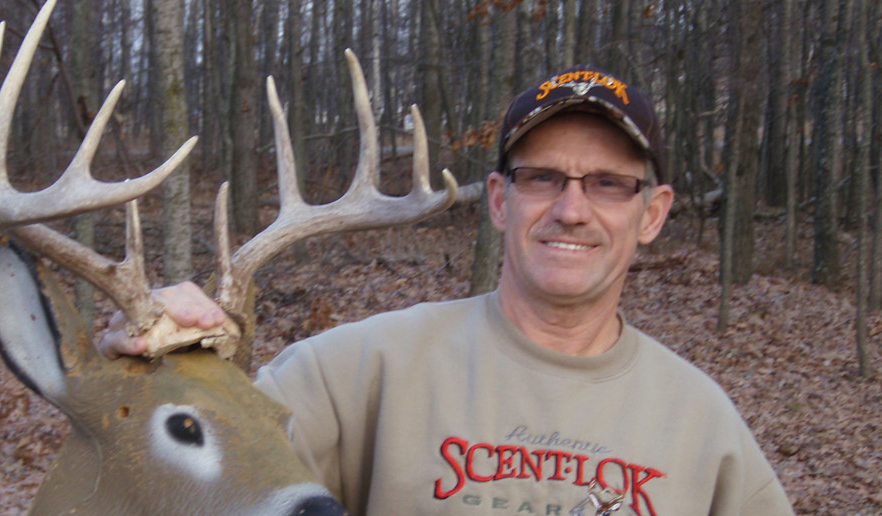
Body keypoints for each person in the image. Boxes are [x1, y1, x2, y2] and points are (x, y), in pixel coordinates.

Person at [100, 65, 794, 515]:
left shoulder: (702, 426)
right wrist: (158, 371)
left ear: (653, 214)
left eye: (609, 184)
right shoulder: (356, 373)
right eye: (542, 178)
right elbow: (175, 480)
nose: (572, 209)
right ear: (498, 200)